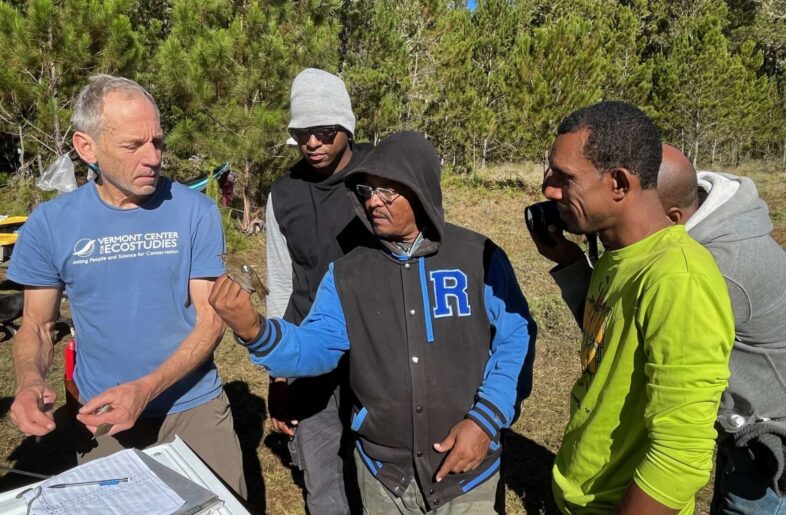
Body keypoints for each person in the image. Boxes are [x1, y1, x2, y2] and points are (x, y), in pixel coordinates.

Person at [210, 131, 536, 513]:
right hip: (385, 479)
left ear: (421, 190)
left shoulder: (478, 257)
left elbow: (516, 339)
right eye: (367, 190)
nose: (373, 201)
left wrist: (485, 421)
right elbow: (316, 347)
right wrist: (255, 331)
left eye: (388, 191)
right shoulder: (347, 274)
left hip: (468, 475)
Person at [7, 74, 246, 498]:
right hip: (102, 414)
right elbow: (37, 326)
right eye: (133, 145)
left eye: (157, 142)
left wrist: (146, 389)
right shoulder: (51, 223)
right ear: (87, 148)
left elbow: (210, 321)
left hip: (191, 405)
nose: (153, 157)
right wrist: (28, 381)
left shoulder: (196, 211)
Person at [539, 143, 786, 514]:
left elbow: (680, 449)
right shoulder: (654, 245)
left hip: (767, 433)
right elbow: (613, 333)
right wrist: (576, 263)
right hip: (730, 414)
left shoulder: (694, 273)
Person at [530, 101, 734, 514]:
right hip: (585, 494)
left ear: (619, 183)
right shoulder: (620, 254)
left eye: (565, 178)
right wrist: (571, 264)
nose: (549, 190)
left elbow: (680, 456)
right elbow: (609, 343)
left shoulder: (679, 279)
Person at [265, 67, 373, 514]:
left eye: (324, 131)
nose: (312, 143)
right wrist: (278, 373)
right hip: (309, 347)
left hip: (377, 346)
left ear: (347, 127)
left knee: (380, 468)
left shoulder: (379, 175)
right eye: (301, 133)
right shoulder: (283, 194)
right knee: (321, 471)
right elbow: (280, 282)